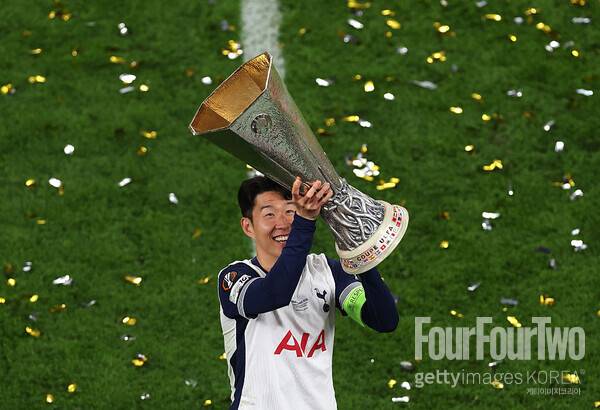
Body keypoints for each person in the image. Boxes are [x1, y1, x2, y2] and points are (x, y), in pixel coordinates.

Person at [218, 175, 399, 410]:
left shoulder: (328, 272)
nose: (283, 223)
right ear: (248, 227)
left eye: (290, 211)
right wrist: (303, 222)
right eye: (269, 214)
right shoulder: (234, 278)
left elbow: (384, 320)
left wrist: (361, 255)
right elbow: (276, 293)